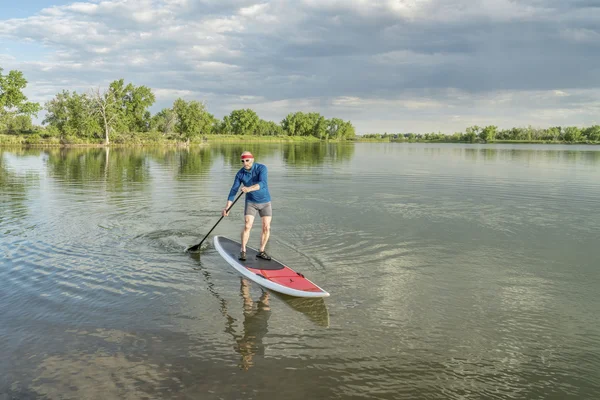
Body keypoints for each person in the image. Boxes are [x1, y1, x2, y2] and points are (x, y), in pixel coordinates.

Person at [222, 151, 272, 261]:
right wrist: (227, 207)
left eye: (247, 160)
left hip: (265, 202)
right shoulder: (240, 174)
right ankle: (243, 250)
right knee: (248, 225)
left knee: (266, 227)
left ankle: (261, 251)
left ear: (252, 159)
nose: (245, 163)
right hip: (251, 203)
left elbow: (263, 183)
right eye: (243, 161)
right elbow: (233, 191)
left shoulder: (261, 168)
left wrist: (249, 188)